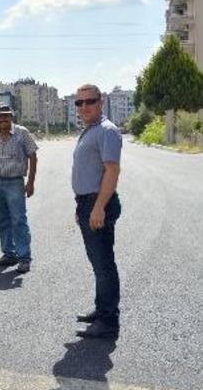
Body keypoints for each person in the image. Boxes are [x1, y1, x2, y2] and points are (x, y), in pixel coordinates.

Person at [71, 84, 123, 339]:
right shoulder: (91, 130)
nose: (84, 107)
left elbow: (112, 171)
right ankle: (102, 310)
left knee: (104, 266)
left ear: (100, 102)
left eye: (89, 101)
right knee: (99, 264)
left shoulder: (106, 130)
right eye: (79, 103)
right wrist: (82, 207)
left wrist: (98, 207)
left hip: (97, 203)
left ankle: (108, 321)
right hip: (87, 203)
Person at [0, 105, 38, 274]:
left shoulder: (22, 133)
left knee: (18, 220)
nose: (3, 119)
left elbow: (33, 156)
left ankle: (24, 258)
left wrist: (31, 182)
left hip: (15, 182)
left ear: (11, 117)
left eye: (6, 116)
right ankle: (9, 253)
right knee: (3, 219)